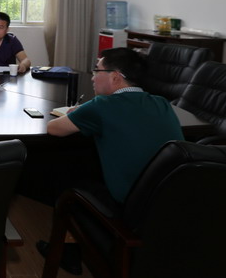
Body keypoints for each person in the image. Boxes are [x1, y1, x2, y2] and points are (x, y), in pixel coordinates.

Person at [46, 47, 184, 204]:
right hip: (172, 199)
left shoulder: (102, 106)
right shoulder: (162, 103)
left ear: (115, 77)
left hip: (130, 204)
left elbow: (53, 128)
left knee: (60, 173)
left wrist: (80, 112)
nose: (92, 78)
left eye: (97, 71)